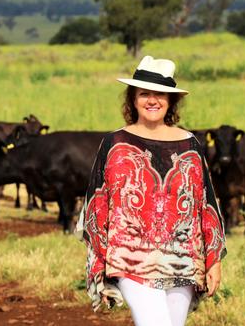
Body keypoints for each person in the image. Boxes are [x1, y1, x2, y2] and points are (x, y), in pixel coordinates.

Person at [75, 56, 227, 326]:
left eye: (160, 94)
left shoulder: (190, 144)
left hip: (184, 258)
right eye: (144, 93)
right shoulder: (114, 142)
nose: (152, 100)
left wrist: (213, 259)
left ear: (171, 101)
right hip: (130, 258)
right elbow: (97, 203)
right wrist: (99, 260)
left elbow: (206, 205)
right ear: (133, 99)